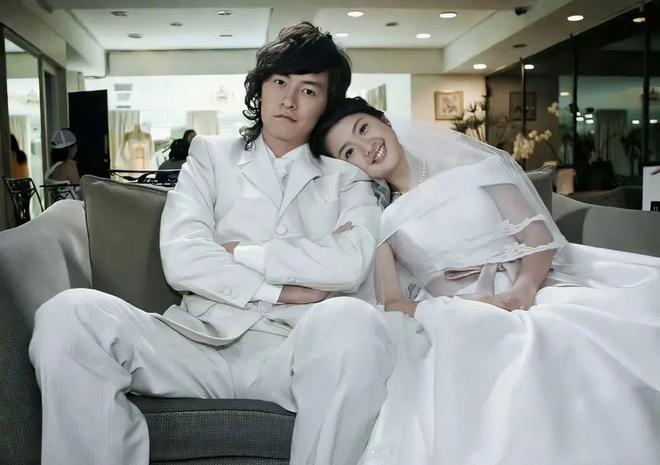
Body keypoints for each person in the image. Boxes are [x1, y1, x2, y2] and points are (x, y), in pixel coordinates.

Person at [29, 24, 392, 465]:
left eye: (309, 90)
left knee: (355, 320)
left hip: (292, 353)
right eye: (280, 82)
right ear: (261, 87)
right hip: (197, 343)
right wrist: (280, 290)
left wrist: (241, 253)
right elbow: (183, 257)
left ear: (326, 103)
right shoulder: (211, 155)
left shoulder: (346, 177)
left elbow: (350, 263)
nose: (289, 100)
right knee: (68, 314)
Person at [310, 97, 660, 464]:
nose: (366, 147)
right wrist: (462, 307)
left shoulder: (475, 169)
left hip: (533, 285)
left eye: (364, 129)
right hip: (458, 313)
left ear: (385, 121)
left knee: (563, 331)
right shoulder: (382, 222)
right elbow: (393, 302)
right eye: (349, 152)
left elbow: (537, 238)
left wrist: (522, 292)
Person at [44, 128, 82, 200]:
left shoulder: (50, 170)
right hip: (75, 205)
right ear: (70, 149)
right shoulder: (70, 166)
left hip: (59, 205)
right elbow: (80, 191)